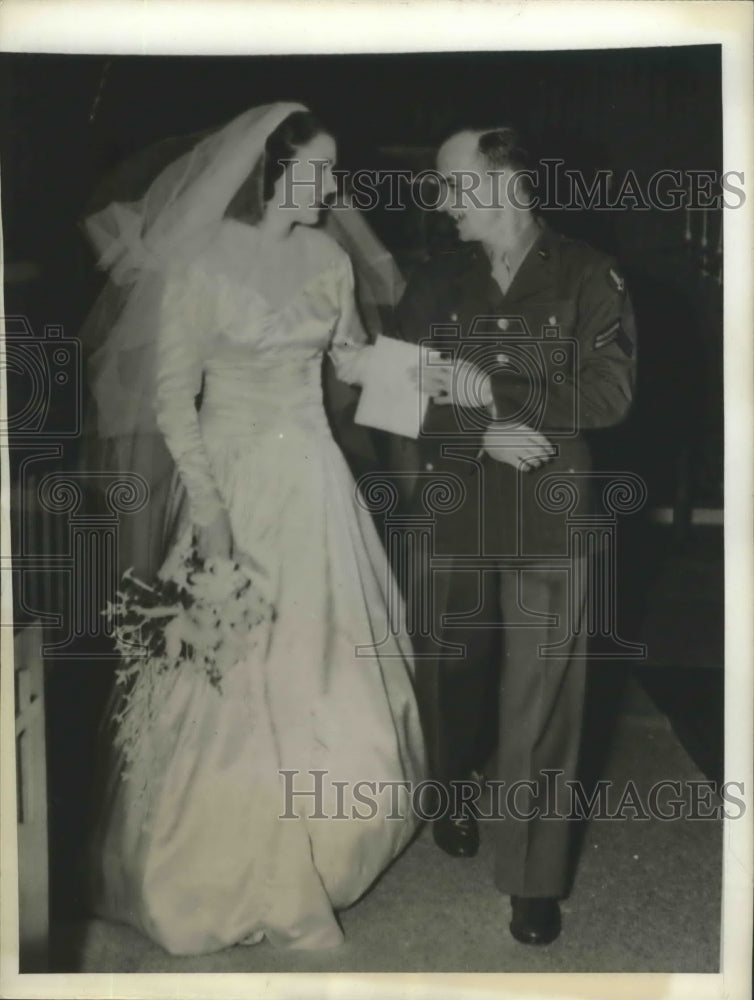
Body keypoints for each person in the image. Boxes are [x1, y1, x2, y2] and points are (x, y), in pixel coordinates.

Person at [83, 103, 425, 955]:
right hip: (232, 483)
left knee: (330, 663)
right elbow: (172, 399)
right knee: (233, 679)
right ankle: (225, 865)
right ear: (273, 172)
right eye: (320, 170)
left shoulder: (327, 259)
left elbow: (348, 357)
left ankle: (331, 846)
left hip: (314, 480)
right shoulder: (201, 263)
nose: (335, 188)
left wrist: (445, 382)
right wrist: (209, 511)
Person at [395, 126, 636, 945]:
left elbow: (610, 392)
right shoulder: (432, 282)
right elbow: (392, 395)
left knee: (543, 702)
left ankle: (533, 878)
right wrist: (475, 433)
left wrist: (500, 406)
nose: (441, 200)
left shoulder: (585, 274)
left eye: (454, 184)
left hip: (551, 514)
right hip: (457, 506)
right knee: (454, 674)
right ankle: (455, 785)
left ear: (508, 186)